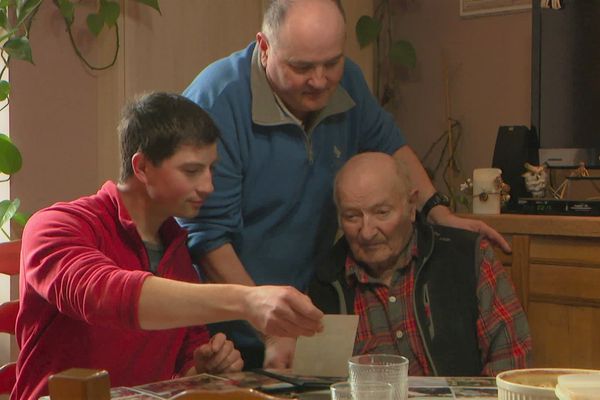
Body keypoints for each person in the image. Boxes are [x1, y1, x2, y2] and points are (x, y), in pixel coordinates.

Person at [180, 0, 510, 368]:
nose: (320, 80)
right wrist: (271, 328)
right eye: (302, 67)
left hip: (303, 314)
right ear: (264, 46)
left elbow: (390, 145)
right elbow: (208, 240)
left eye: (331, 63)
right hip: (229, 334)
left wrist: (438, 211)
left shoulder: (348, 80)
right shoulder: (217, 102)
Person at [13, 93, 323, 400]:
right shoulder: (55, 226)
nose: (208, 186)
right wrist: (247, 299)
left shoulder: (176, 248)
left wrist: (201, 367)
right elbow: (104, 295)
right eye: (191, 171)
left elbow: (185, 356)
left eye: (211, 169)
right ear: (142, 167)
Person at [299, 152, 532, 376]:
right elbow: (316, 385)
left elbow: (511, 362)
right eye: (352, 216)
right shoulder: (326, 283)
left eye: (381, 212)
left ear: (411, 207)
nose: (367, 232)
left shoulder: (467, 257)